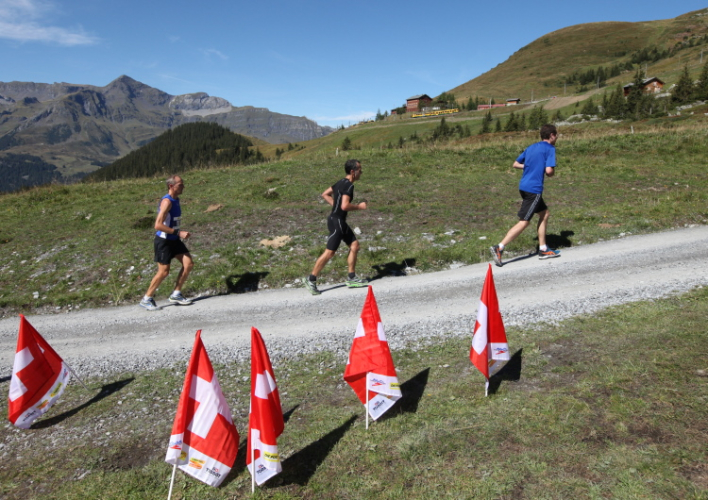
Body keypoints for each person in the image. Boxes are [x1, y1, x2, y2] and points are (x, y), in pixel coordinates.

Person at [490, 124, 561, 267]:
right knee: (524, 221)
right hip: (533, 189)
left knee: (544, 213)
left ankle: (543, 249)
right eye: (556, 135)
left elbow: (516, 164)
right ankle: (499, 247)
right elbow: (549, 172)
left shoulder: (531, 147)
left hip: (523, 186)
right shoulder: (550, 149)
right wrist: (548, 170)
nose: (557, 137)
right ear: (552, 135)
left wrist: (530, 166)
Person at [305, 159, 368, 295]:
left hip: (338, 220)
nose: (361, 172)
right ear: (353, 172)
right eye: (360, 170)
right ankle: (311, 279)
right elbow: (345, 206)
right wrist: (359, 206)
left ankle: (352, 277)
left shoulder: (340, 182)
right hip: (337, 221)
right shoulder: (349, 186)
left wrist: (336, 206)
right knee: (330, 252)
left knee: (355, 245)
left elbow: (325, 194)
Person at [139, 175, 194, 310]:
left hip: (173, 239)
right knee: (164, 272)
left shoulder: (176, 199)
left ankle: (176, 294)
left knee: (188, 264)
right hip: (164, 241)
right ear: (171, 186)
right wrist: (178, 233)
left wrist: (176, 235)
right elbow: (157, 225)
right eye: (180, 185)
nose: (183, 187)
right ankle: (146, 299)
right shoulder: (167, 201)